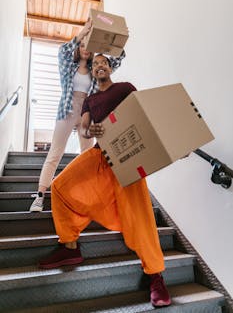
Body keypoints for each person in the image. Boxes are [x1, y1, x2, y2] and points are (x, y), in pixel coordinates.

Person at [38, 54, 171, 308]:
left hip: (128, 159)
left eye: (104, 63)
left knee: (141, 219)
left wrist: (169, 143)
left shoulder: (125, 89)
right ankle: (70, 247)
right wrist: (91, 131)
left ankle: (155, 277)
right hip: (101, 154)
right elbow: (84, 128)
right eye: (95, 63)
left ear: (110, 68)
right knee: (59, 186)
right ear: (93, 71)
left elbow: (145, 116)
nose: (99, 65)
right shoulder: (90, 100)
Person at [29, 20, 125, 212]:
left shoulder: (95, 68)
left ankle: (85, 196)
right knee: (55, 152)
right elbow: (64, 51)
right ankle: (39, 196)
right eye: (82, 45)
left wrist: (118, 39)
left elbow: (116, 59)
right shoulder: (68, 64)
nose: (85, 49)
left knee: (87, 155)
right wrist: (83, 34)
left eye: (88, 46)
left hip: (87, 114)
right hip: (67, 110)